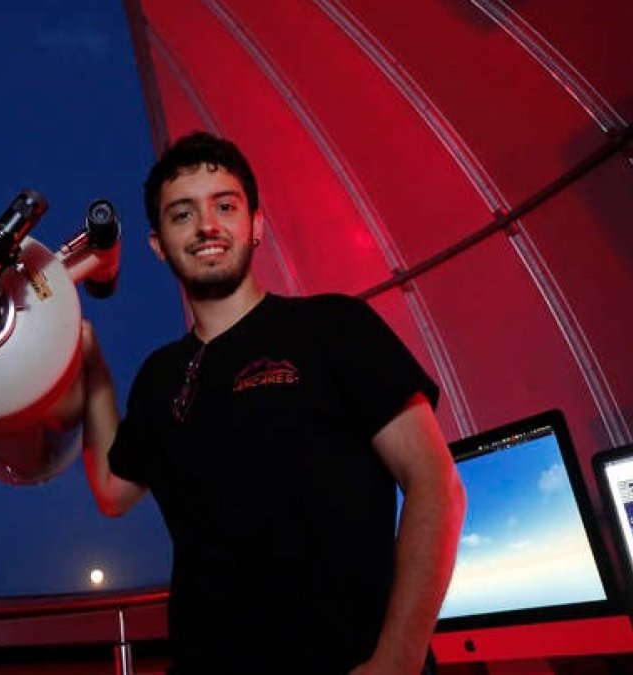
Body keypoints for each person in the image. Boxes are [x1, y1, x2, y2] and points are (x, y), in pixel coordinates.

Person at [80, 131, 466, 674]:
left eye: (225, 206)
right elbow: (112, 490)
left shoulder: (334, 328)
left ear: (256, 225)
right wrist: (91, 369)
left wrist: (398, 659)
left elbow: (436, 483)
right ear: (158, 244)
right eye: (182, 214)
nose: (207, 226)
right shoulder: (159, 376)